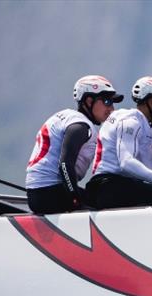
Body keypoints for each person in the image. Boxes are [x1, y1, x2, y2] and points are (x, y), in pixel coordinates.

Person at [25, 75, 124, 214]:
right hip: (50, 193)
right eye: (107, 101)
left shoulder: (67, 116)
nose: (112, 109)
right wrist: (75, 199)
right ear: (89, 101)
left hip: (39, 193)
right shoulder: (81, 126)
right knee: (111, 201)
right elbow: (65, 165)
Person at [87, 76, 152, 209]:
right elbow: (126, 162)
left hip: (108, 187)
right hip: (109, 187)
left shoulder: (137, 123)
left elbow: (141, 171)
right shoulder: (131, 122)